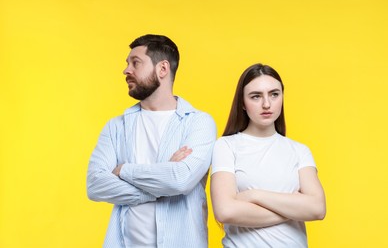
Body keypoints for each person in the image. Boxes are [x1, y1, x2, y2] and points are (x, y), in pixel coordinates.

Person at [87, 34, 216, 248]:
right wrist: (162, 181)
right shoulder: (116, 126)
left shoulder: (199, 123)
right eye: (127, 63)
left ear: (162, 69)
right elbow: (95, 185)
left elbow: (180, 179)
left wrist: (124, 171)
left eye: (135, 63)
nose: (126, 70)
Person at [210, 63, 326, 247]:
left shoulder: (299, 150)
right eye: (256, 96)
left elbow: (318, 209)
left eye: (274, 94)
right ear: (242, 103)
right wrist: (294, 209)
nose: (266, 104)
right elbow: (226, 212)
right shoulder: (226, 146)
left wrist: (254, 195)